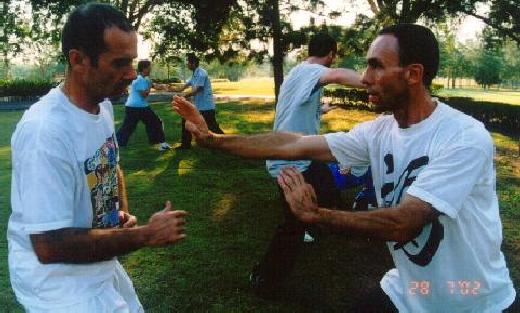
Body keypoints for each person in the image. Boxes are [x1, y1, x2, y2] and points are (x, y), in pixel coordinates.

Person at [173, 24, 516, 312]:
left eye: (376, 66)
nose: (365, 78)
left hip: (474, 301)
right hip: (406, 292)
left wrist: (318, 216)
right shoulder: (378, 131)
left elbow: (403, 224)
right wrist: (214, 140)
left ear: (413, 74)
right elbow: (294, 143)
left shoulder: (464, 137)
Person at [8, 2, 187, 312]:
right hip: (58, 284)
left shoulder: (101, 104)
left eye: (131, 62)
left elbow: (110, 163)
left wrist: (120, 215)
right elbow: (49, 245)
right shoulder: (45, 132)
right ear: (78, 60)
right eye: (119, 63)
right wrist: (145, 235)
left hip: (95, 264)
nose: (131, 74)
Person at [246, 32, 364, 296]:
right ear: (331, 54)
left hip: (303, 156)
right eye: (334, 57)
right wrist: (376, 81)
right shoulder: (314, 71)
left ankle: (314, 224)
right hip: (289, 161)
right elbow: (337, 76)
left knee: (329, 192)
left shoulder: (297, 73)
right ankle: (264, 280)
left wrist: (320, 110)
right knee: (292, 224)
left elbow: (293, 109)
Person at [116, 59, 171, 151]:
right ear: (144, 68)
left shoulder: (144, 78)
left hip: (135, 106)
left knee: (130, 126)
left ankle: (118, 143)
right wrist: (149, 86)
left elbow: (154, 86)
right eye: (149, 68)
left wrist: (165, 86)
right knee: (156, 122)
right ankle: (161, 144)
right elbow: (144, 94)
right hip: (138, 107)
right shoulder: (139, 79)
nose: (150, 70)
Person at [172, 53, 223, 150]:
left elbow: (197, 89)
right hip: (198, 106)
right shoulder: (194, 74)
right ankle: (185, 145)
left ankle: (225, 142)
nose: (187, 64)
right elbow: (185, 86)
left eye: (188, 63)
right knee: (185, 120)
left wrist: (184, 95)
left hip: (206, 107)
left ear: (193, 63)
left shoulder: (201, 73)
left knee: (212, 127)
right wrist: (173, 89)